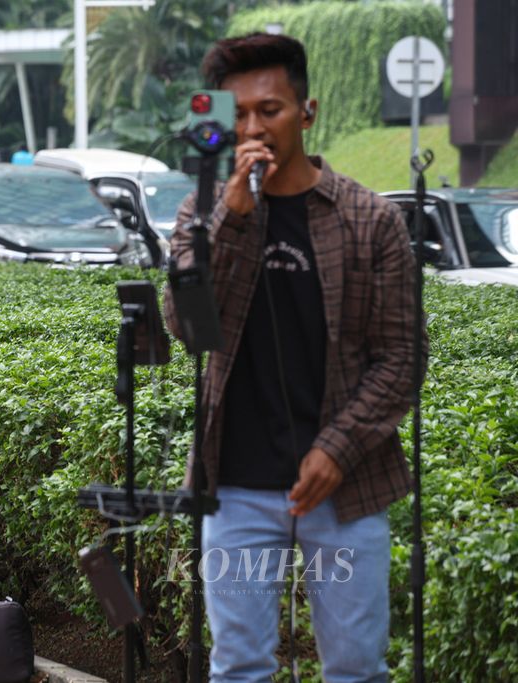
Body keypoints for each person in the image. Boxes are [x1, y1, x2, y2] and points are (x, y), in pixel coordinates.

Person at [163, 34, 424, 681]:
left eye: (270, 110)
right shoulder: (203, 213)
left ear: (307, 112)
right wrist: (232, 219)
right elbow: (188, 328)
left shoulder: (370, 220)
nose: (254, 127)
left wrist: (336, 448)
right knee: (239, 666)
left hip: (346, 488)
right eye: (239, 114)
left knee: (357, 668)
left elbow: (403, 357)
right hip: (236, 487)